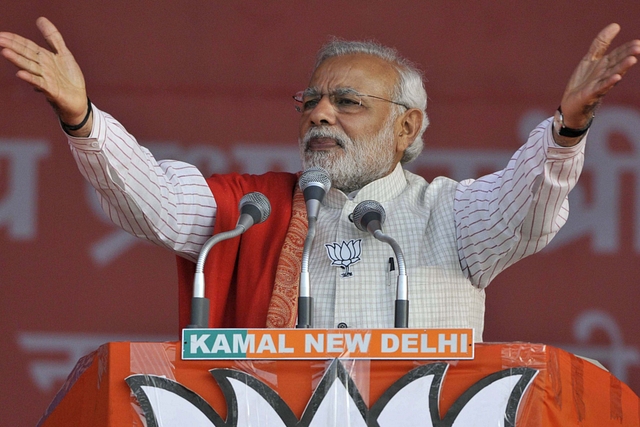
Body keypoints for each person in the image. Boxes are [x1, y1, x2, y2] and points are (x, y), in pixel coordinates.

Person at [1, 18, 638, 340]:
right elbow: (159, 201)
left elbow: (527, 206)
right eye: (312, 102)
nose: (320, 114)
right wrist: (83, 121)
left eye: (347, 102)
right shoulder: (254, 210)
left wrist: (566, 132)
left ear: (407, 128)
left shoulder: (452, 217)